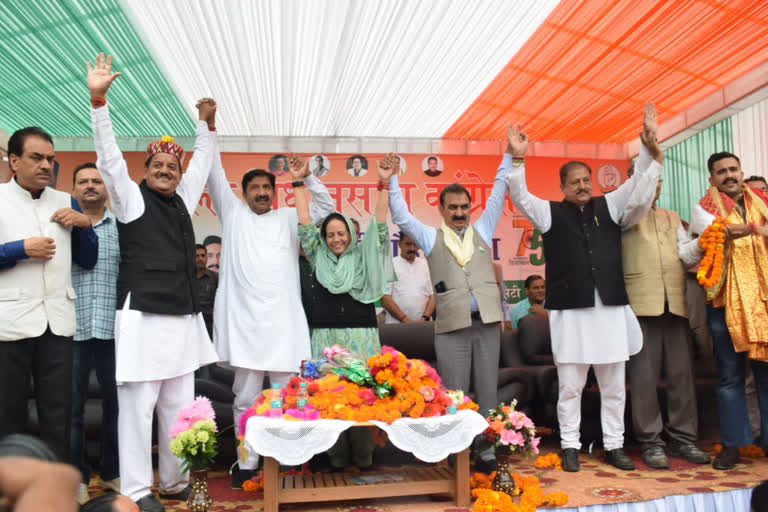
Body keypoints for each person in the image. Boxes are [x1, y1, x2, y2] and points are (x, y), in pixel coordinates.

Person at [87, 53, 219, 511]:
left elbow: (202, 161)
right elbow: (109, 159)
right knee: (138, 410)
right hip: (142, 317)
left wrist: (207, 124)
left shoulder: (183, 197)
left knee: (178, 409)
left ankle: (177, 482)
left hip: (182, 319)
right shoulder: (130, 201)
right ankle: (139, 490)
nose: (166, 171)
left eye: (172, 168)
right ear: (145, 171)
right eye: (158, 166)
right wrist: (98, 101)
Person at [506, 104, 663, 472]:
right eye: (573, 181)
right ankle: (571, 446)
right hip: (570, 313)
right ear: (561, 187)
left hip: (608, 311)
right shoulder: (549, 213)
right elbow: (521, 197)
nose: (581, 185)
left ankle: (613, 446)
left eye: (585, 179)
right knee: (571, 386)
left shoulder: (608, 204)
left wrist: (648, 147)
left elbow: (639, 182)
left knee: (612, 387)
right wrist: (516, 159)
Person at [206, 141, 333, 487]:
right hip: (245, 325)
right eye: (255, 188)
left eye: (266, 188)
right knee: (245, 398)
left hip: (284, 326)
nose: (261, 193)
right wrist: (210, 128)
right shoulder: (232, 215)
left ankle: (287, 465)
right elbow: (214, 174)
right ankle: (247, 465)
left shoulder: (290, 217)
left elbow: (326, 208)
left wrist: (305, 179)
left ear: (275, 193)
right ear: (244, 193)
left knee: (286, 397)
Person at [390, 141, 511, 423]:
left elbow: (498, 193)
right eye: (453, 208)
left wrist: (510, 155)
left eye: (464, 207)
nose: (459, 213)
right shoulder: (430, 237)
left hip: (488, 325)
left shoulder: (481, 229)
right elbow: (401, 216)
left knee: (488, 394)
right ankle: (457, 455)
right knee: (455, 396)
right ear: (441, 209)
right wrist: (392, 178)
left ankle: (487, 451)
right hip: (451, 327)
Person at [0, 126, 98, 464]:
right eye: (36, 157)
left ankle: (56, 493)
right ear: (14, 161)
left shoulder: (66, 201)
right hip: (8, 327)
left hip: (57, 325)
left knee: (59, 415)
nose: (46, 165)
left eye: (51, 159)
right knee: (7, 414)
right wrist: (18, 249)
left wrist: (85, 226)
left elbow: (88, 260)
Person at [296, 153, 396, 470]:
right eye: (330, 234)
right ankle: (336, 457)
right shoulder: (317, 256)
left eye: (341, 233)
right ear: (323, 239)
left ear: (351, 235)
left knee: (363, 397)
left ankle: (364, 456)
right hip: (326, 337)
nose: (336, 238)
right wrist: (298, 181)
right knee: (329, 398)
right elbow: (303, 224)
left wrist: (383, 182)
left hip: (363, 336)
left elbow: (379, 222)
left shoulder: (365, 257)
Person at [621, 168, 710, 469]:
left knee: (681, 377)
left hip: (675, 304)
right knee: (644, 379)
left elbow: (685, 254)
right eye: (646, 179)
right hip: (641, 307)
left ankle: (684, 440)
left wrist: (704, 242)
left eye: (657, 179)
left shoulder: (673, 217)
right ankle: (651, 442)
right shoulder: (624, 215)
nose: (653, 185)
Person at [689, 151, 768, 470]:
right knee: (730, 377)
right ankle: (733, 446)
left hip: (763, 303)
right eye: (721, 172)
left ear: (741, 171)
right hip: (724, 304)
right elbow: (719, 232)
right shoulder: (702, 208)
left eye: (733, 169)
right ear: (712, 179)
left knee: (766, 376)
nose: (729, 175)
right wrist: (754, 229)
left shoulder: (761, 200)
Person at [69, 163, 121, 504]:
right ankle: (78, 476)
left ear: (106, 188)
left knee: (117, 406)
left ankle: (114, 470)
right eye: (83, 181)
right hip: (70, 329)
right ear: (73, 188)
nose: (90, 186)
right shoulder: (61, 225)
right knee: (71, 408)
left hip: (114, 331)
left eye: (96, 181)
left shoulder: (123, 227)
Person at [381, 233, 434, 323]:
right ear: (399, 244)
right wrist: (406, 320)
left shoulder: (426, 264)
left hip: (424, 325)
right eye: (408, 244)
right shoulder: (389, 265)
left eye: (415, 244)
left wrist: (425, 318)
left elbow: (433, 296)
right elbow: (385, 298)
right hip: (397, 325)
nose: (412, 248)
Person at [194, 244, 218, 340]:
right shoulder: (186, 279)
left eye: (203, 255)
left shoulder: (216, 278)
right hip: (191, 324)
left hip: (210, 325)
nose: (200, 259)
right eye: (196, 256)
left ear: (207, 258)